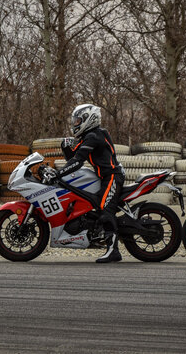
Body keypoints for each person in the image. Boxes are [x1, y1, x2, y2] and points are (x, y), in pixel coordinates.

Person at [44, 104, 125, 263]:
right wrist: (66, 149)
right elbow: (74, 158)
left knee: (104, 208)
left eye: (78, 120)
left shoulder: (94, 136)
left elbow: (78, 161)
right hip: (104, 177)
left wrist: (58, 173)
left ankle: (113, 250)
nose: (75, 124)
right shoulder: (92, 135)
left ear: (89, 120)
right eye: (75, 121)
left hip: (112, 177)